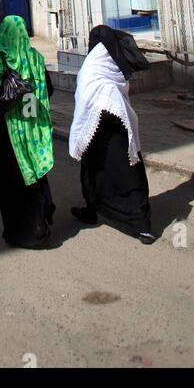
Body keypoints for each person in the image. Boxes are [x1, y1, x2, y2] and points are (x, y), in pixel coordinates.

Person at [0, 14, 55, 248]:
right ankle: (42, 218)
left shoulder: (0, 58)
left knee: (13, 177)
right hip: (33, 124)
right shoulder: (35, 57)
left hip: (8, 128)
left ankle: (23, 231)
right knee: (34, 169)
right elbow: (49, 88)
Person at [69, 24, 155, 244]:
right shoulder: (112, 62)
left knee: (93, 170)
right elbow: (121, 89)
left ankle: (92, 209)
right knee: (128, 171)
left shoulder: (91, 64)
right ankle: (141, 224)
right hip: (117, 122)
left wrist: (79, 135)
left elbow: (83, 99)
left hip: (96, 127)